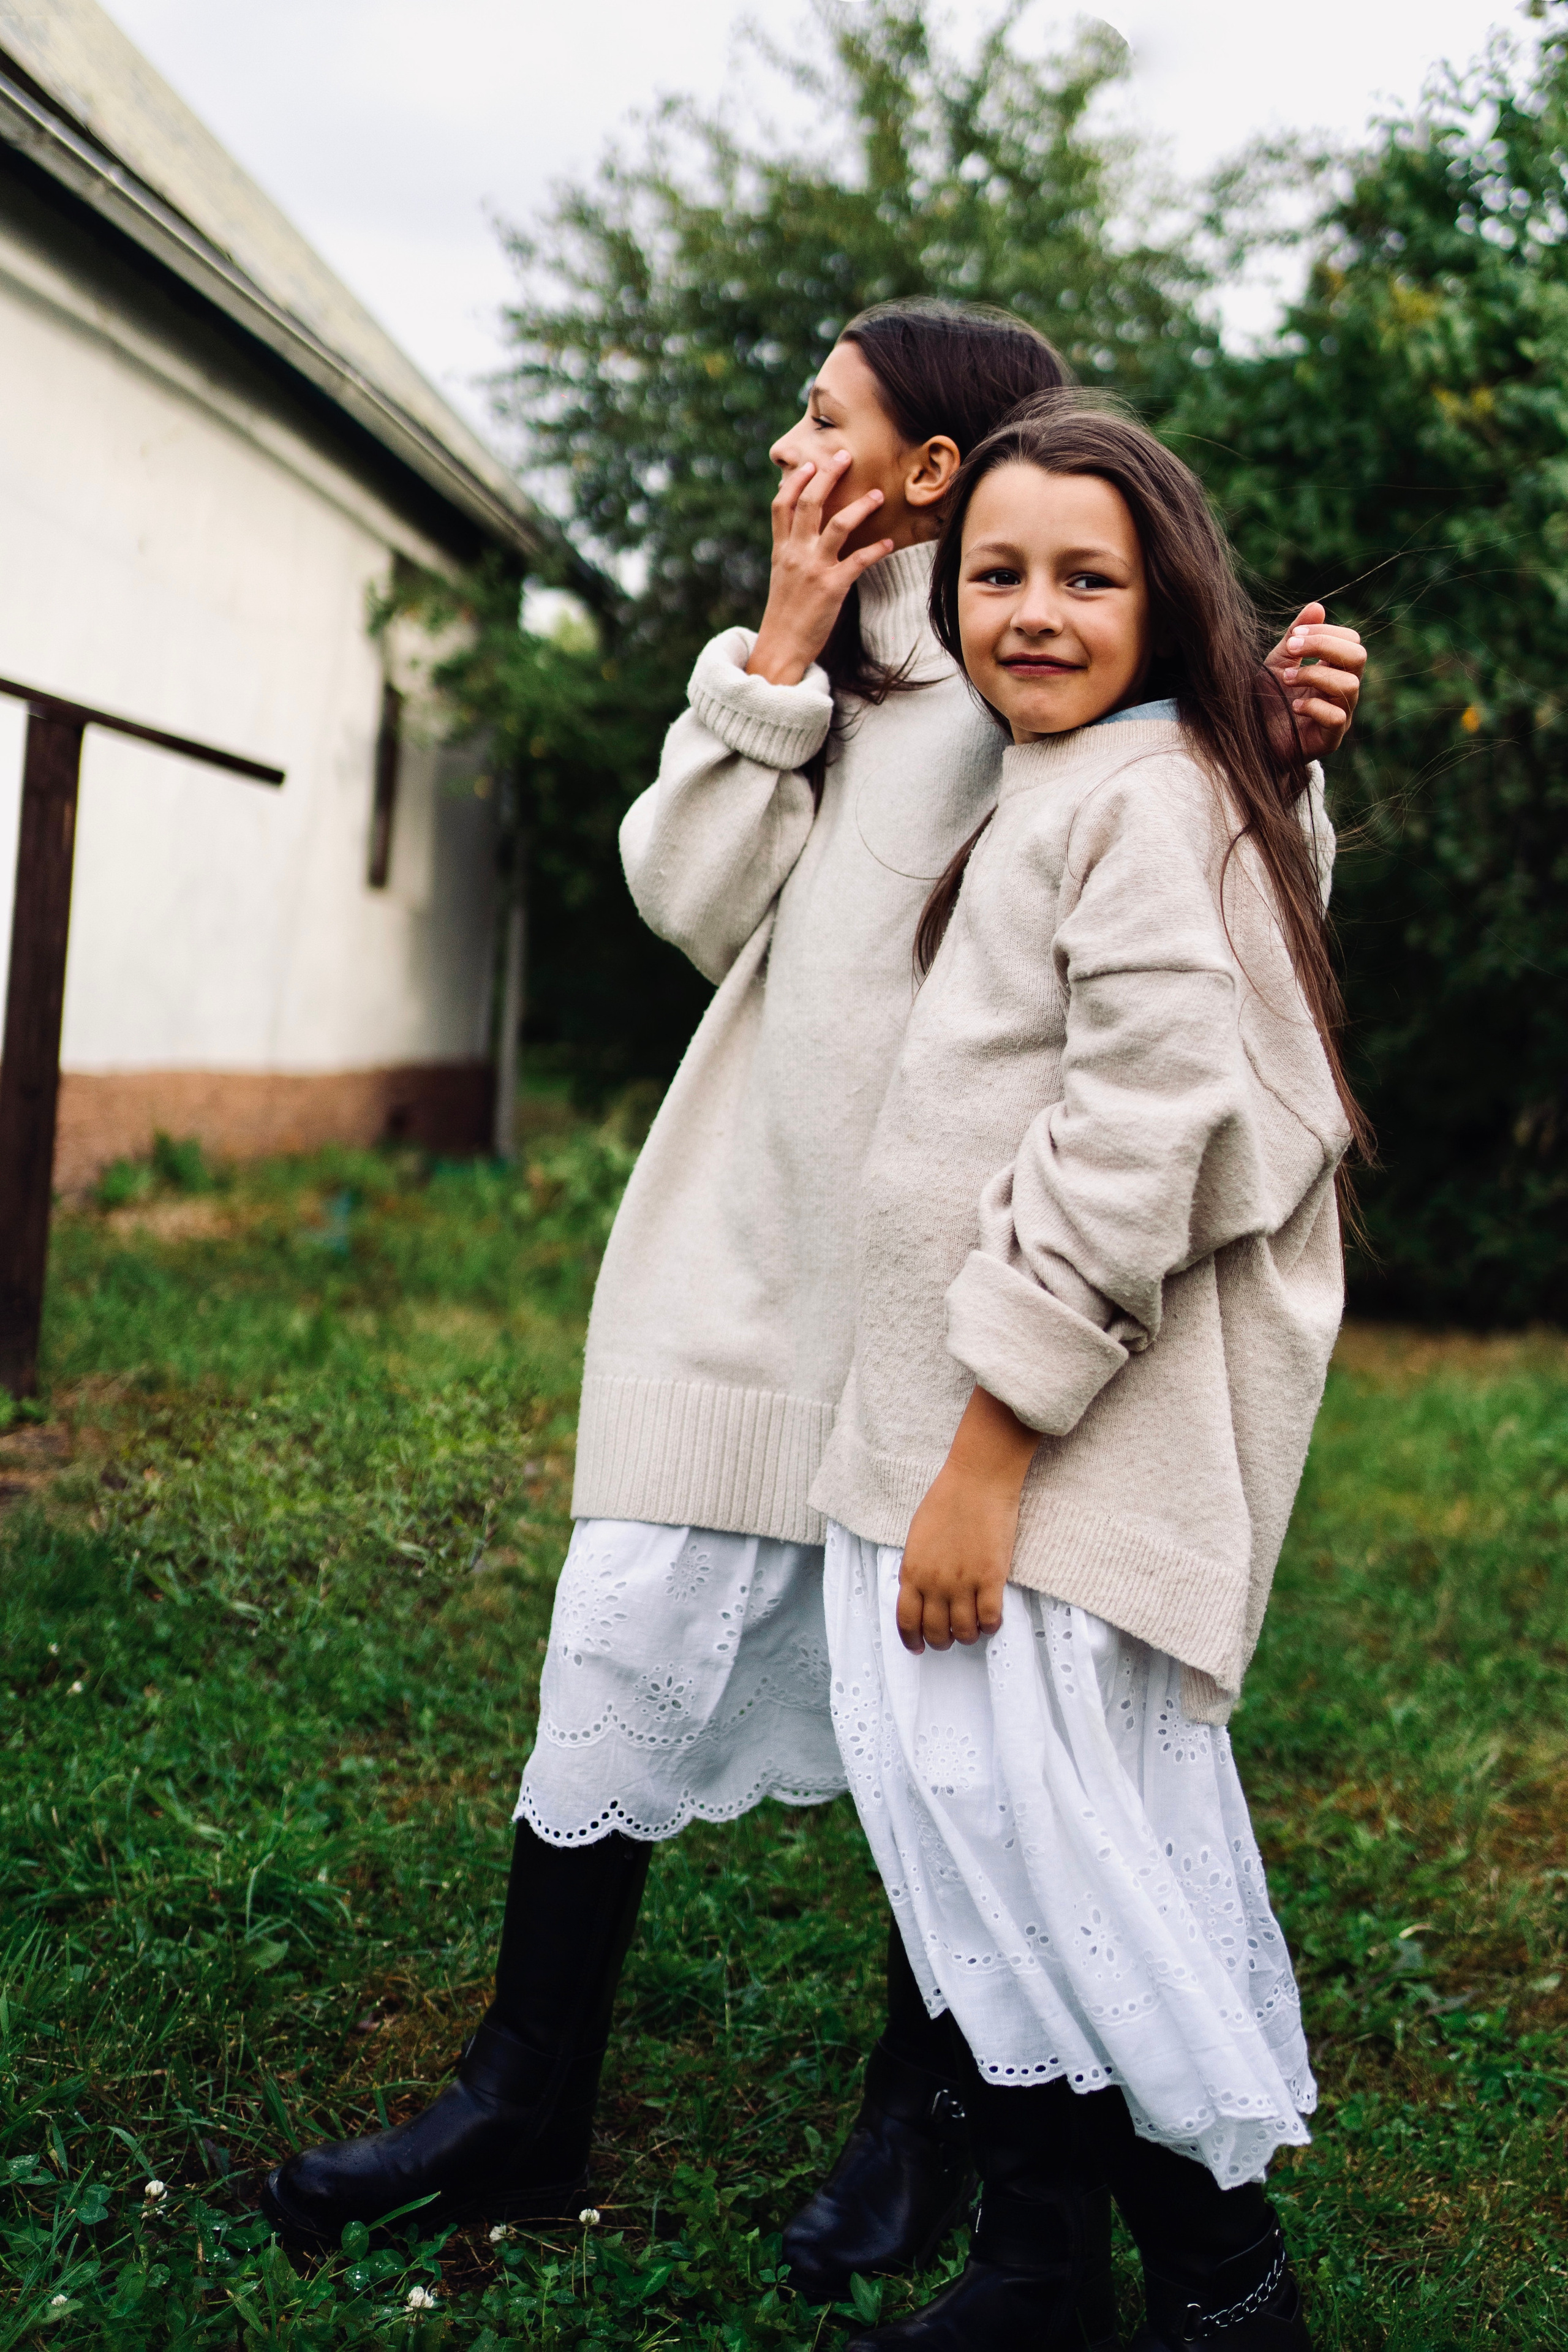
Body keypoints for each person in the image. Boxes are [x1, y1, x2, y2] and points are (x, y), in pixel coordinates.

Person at [262, 307, 1365, 2316]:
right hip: (765, 1258)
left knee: (962, 1742)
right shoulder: (851, 656)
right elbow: (687, 900)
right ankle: (528, 2090)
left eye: (825, 416)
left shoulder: (1063, 685)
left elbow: (1204, 971)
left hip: (975, 1320)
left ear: (933, 465)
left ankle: (938, 2140)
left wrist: (1274, 738)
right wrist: (777, 648)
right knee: (644, 1648)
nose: (792, 442)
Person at [809, 394, 1366, 2350]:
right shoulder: (1064, 779)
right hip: (937, 1450)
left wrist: (985, 1451)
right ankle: (1040, 2265)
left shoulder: (1149, 791)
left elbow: (1151, 1120)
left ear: (1171, 597)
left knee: (1073, 1871)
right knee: (982, 1852)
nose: (1030, 610)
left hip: (1037, 1466)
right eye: (998, 575)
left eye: (1087, 578)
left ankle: (1227, 2299)